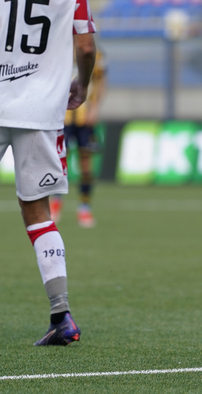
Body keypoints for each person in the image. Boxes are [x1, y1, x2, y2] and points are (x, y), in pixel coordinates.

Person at [0, 0, 97, 345]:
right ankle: (61, 315)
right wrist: (82, 85)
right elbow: (85, 46)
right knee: (38, 212)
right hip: (41, 111)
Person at [50, 47, 107, 228]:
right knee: (58, 162)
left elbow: (101, 83)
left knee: (85, 164)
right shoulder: (59, 46)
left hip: (85, 118)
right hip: (62, 117)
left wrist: (96, 109)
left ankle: (84, 208)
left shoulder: (97, 54)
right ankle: (55, 204)